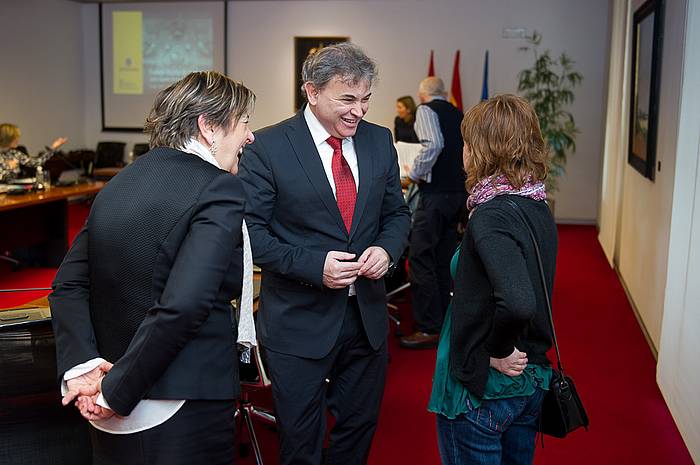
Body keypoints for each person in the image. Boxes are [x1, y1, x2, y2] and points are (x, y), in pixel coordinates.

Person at [49, 70, 256, 465]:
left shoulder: (118, 184)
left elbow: (67, 286)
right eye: (244, 123)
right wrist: (117, 392)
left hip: (109, 391)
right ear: (209, 126)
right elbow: (184, 305)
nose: (249, 136)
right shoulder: (218, 187)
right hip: (179, 397)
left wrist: (83, 369)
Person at [238, 43, 410, 465]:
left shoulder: (379, 140)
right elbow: (252, 236)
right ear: (311, 92)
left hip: (366, 320)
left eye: (366, 98)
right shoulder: (268, 147)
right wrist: (315, 267)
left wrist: (386, 252)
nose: (359, 111)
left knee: (358, 430)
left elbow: (397, 216)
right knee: (301, 440)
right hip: (299, 320)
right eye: (347, 99)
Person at [429, 94, 556, 465]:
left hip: (487, 390)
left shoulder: (491, 216)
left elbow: (518, 300)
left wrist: (496, 351)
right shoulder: (536, 204)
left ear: (482, 150)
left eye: (467, 142)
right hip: (530, 381)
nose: (462, 151)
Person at [399, 76, 467, 349]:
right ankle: (443, 323)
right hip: (457, 196)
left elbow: (434, 144)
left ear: (422, 95)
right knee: (442, 260)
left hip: (435, 196)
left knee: (420, 259)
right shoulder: (457, 111)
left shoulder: (426, 110)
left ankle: (428, 326)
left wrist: (415, 173)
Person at [0, 123, 67, 182]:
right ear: (7, 138)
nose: (18, 139)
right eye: (15, 137)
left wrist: (53, 147)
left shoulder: (14, 153)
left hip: (13, 191)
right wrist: (8, 168)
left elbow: (36, 162)